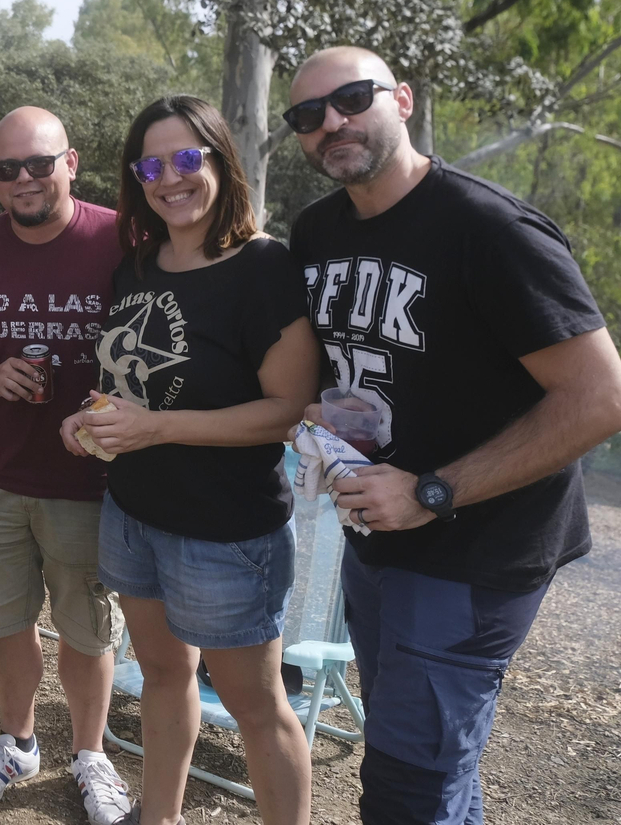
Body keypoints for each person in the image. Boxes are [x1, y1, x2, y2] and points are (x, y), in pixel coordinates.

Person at [286, 46, 621, 825]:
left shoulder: (488, 228)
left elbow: (601, 396)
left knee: (408, 791)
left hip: (474, 550)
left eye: (352, 98)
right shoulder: (316, 232)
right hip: (376, 538)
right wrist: (322, 421)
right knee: (431, 772)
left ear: (401, 100)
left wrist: (433, 492)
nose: (332, 122)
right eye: (308, 115)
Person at [59, 96, 318, 825]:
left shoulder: (263, 267)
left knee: (256, 706)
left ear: (219, 161)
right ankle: (161, 816)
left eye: (184, 159)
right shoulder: (137, 266)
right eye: (150, 167)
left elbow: (288, 409)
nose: (169, 178)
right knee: (163, 674)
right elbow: (131, 385)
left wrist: (157, 429)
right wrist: (92, 416)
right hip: (134, 512)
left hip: (226, 533)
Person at [0, 106, 131, 823]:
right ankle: (17, 743)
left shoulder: (120, 237)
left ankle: (91, 754)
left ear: (70, 163)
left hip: (89, 480)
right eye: (7, 168)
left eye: (39, 164)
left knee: (85, 629)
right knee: (5, 622)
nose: (25, 179)